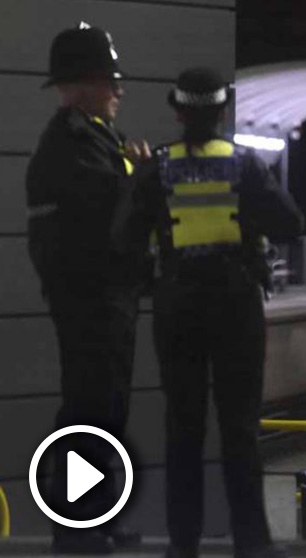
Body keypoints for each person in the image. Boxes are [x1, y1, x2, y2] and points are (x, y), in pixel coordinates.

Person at [119, 67, 303, 558]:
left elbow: (125, 239)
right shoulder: (245, 166)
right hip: (236, 305)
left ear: (178, 112)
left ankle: (183, 545)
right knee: (239, 427)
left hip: (176, 307)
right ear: (222, 111)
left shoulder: (156, 168)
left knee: (183, 428)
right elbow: (290, 222)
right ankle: (251, 542)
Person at [26, 23, 148, 555]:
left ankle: (97, 518)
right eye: (109, 80)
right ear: (79, 85)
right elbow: (106, 214)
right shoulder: (68, 147)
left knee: (108, 409)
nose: (119, 89)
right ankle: (75, 530)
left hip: (111, 298)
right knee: (87, 409)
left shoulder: (100, 138)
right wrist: (140, 180)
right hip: (88, 301)